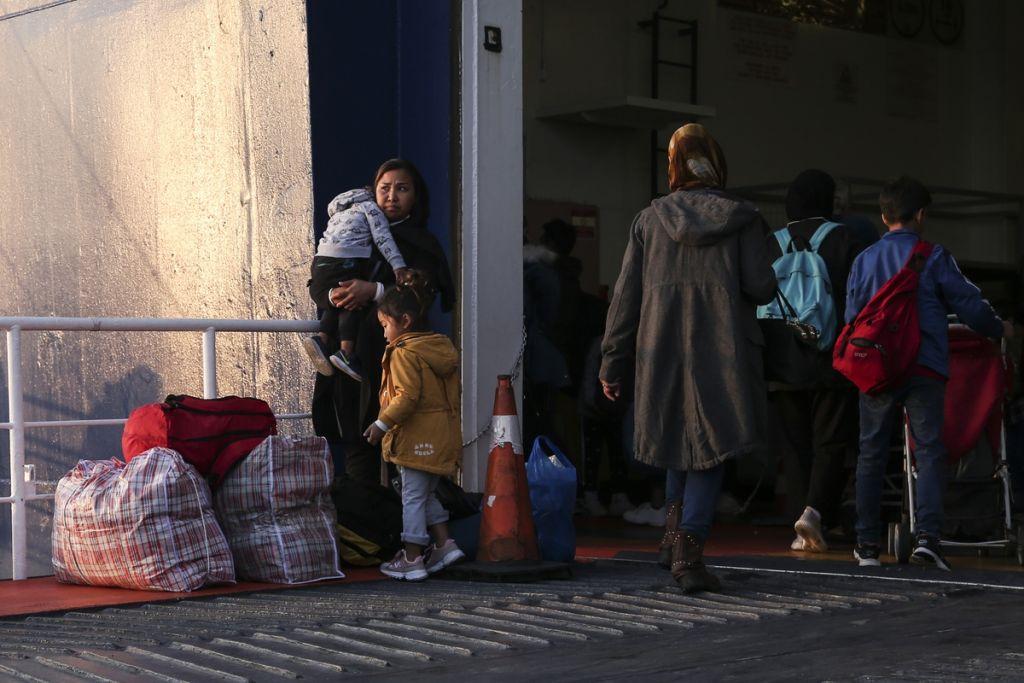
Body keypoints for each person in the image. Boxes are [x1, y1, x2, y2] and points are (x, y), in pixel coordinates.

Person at [600, 123, 776, 593]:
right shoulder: (743, 219)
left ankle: (670, 541)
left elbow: (625, 299)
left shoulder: (648, 222)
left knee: (678, 439)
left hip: (661, 349)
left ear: (674, 167)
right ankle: (688, 551)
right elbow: (763, 286)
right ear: (716, 164)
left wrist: (611, 362)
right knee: (712, 447)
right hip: (722, 348)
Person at [846, 175, 1011, 571]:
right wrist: (998, 328)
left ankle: (867, 546)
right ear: (921, 215)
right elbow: (970, 307)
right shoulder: (934, 256)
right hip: (924, 366)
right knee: (930, 451)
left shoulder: (863, 261)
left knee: (870, 452)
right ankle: (928, 541)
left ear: (884, 216)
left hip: (877, 370)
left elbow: (852, 319)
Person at [310, 159, 455, 485]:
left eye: (402, 189)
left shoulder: (421, 243)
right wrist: (338, 295)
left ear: (416, 196)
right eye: (384, 188)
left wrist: (373, 290)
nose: (391, 196)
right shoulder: (352, 228)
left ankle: (409, 529)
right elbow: (318, 284)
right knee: (357, 443)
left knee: (403, 451)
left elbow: (423, 293)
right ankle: (367, 528)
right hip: (352, 357)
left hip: (396, 360)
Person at [766, 169, 873, 552]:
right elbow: (858, 299)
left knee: (794, 447)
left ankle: (800, 526)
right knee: (830, 441)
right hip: (829, 358)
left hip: (781, 364)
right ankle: (814, 512)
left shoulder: (772, 243)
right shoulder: (844, 238)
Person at [363, 272, 464, 580]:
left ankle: (412, 558)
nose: (384, 335)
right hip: (441, 435)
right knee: (426, 493)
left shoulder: (404, 353)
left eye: (385, 326)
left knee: (412, 497)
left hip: (416, 437)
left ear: (404, 320)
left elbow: (406, 397)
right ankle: (445, 544)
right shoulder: (437, 348)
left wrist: (381, 424)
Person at [302, 188, 410, 381]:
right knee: (353, 299)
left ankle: (322, 339)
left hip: (321, 261)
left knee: (341, 298)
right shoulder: (370, 208)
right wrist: (398, 265)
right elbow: (383, 238)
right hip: (345, 259)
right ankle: (346, 352)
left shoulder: (340, 210)